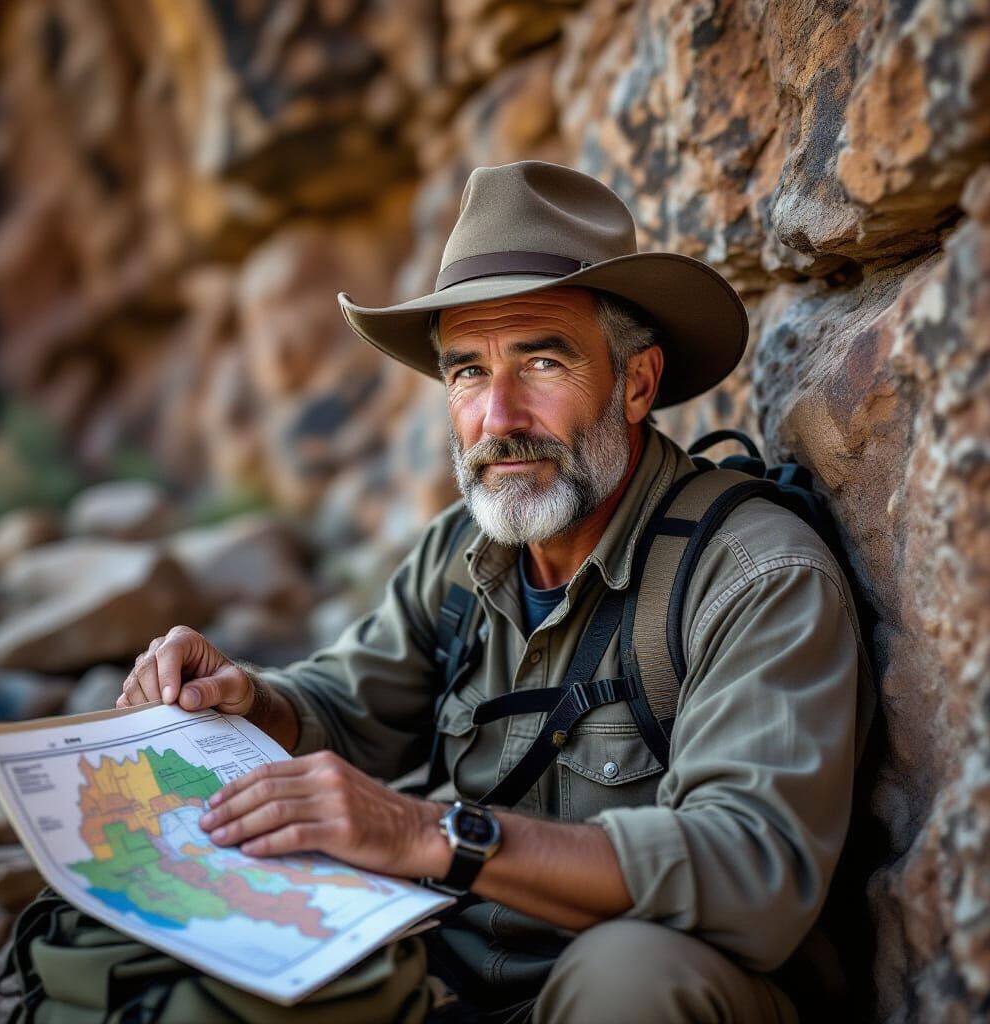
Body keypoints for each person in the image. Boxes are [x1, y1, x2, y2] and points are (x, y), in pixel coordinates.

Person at [117, 161, 868, 1023]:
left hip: (643, 997)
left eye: (542, 361)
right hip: (458, 978)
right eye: (468, 372)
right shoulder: (462, 556)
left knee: (631, 975)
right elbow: (346, 707)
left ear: (636, 383)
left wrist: (427, 835)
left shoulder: (754, 574)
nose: (498, 416)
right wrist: (243, 698)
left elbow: (752, 873)